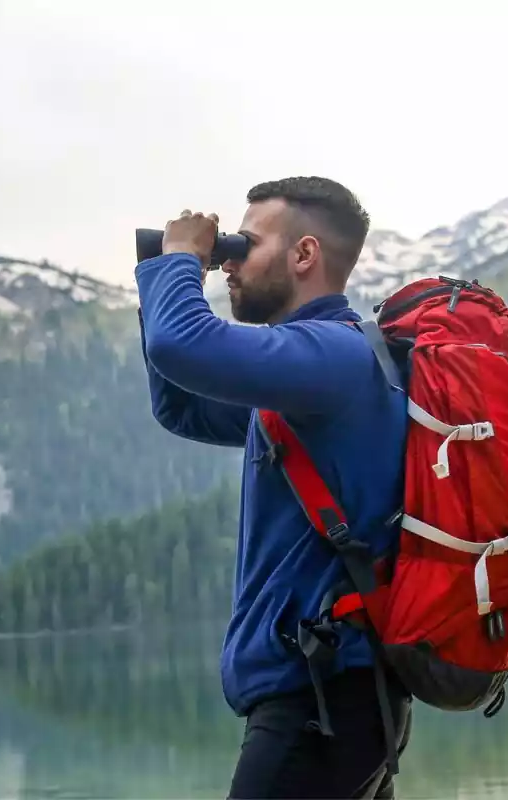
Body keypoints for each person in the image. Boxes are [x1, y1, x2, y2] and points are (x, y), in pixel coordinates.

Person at [135, 177, 413, 798]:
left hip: (322, 702)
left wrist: (182, 260)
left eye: (245, 244)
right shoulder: (309, 376)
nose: (228, 261)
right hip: (330, 698)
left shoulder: (334, 360)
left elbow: (182, 345)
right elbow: (183, 407)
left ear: (305, 255)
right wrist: (157, 276)